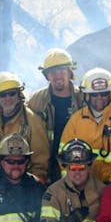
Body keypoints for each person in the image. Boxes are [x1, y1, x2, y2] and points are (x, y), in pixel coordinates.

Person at [60, 68, 111, 183]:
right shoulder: (76, 119)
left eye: (104, 93)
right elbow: (64, 155)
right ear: (87, 95)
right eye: (94, 94)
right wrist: (70, 184)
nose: (99, 98)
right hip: (80, 185)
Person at [27, 48, 84, 183]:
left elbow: (103, 110)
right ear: (47, 76)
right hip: (47, 164)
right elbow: (18, 113)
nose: (58, 76)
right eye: (52, 72)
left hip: (75, 162)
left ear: (70, 73)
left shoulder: (82, 98)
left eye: (62, 71)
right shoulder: (36, 100)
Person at [0, 71, 50, 182]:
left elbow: (40, 159)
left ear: (19, 95)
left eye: (12, 93)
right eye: (2, 95)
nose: (8, 98)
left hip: (22, 182)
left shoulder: (32, 120)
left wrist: (33, 185)